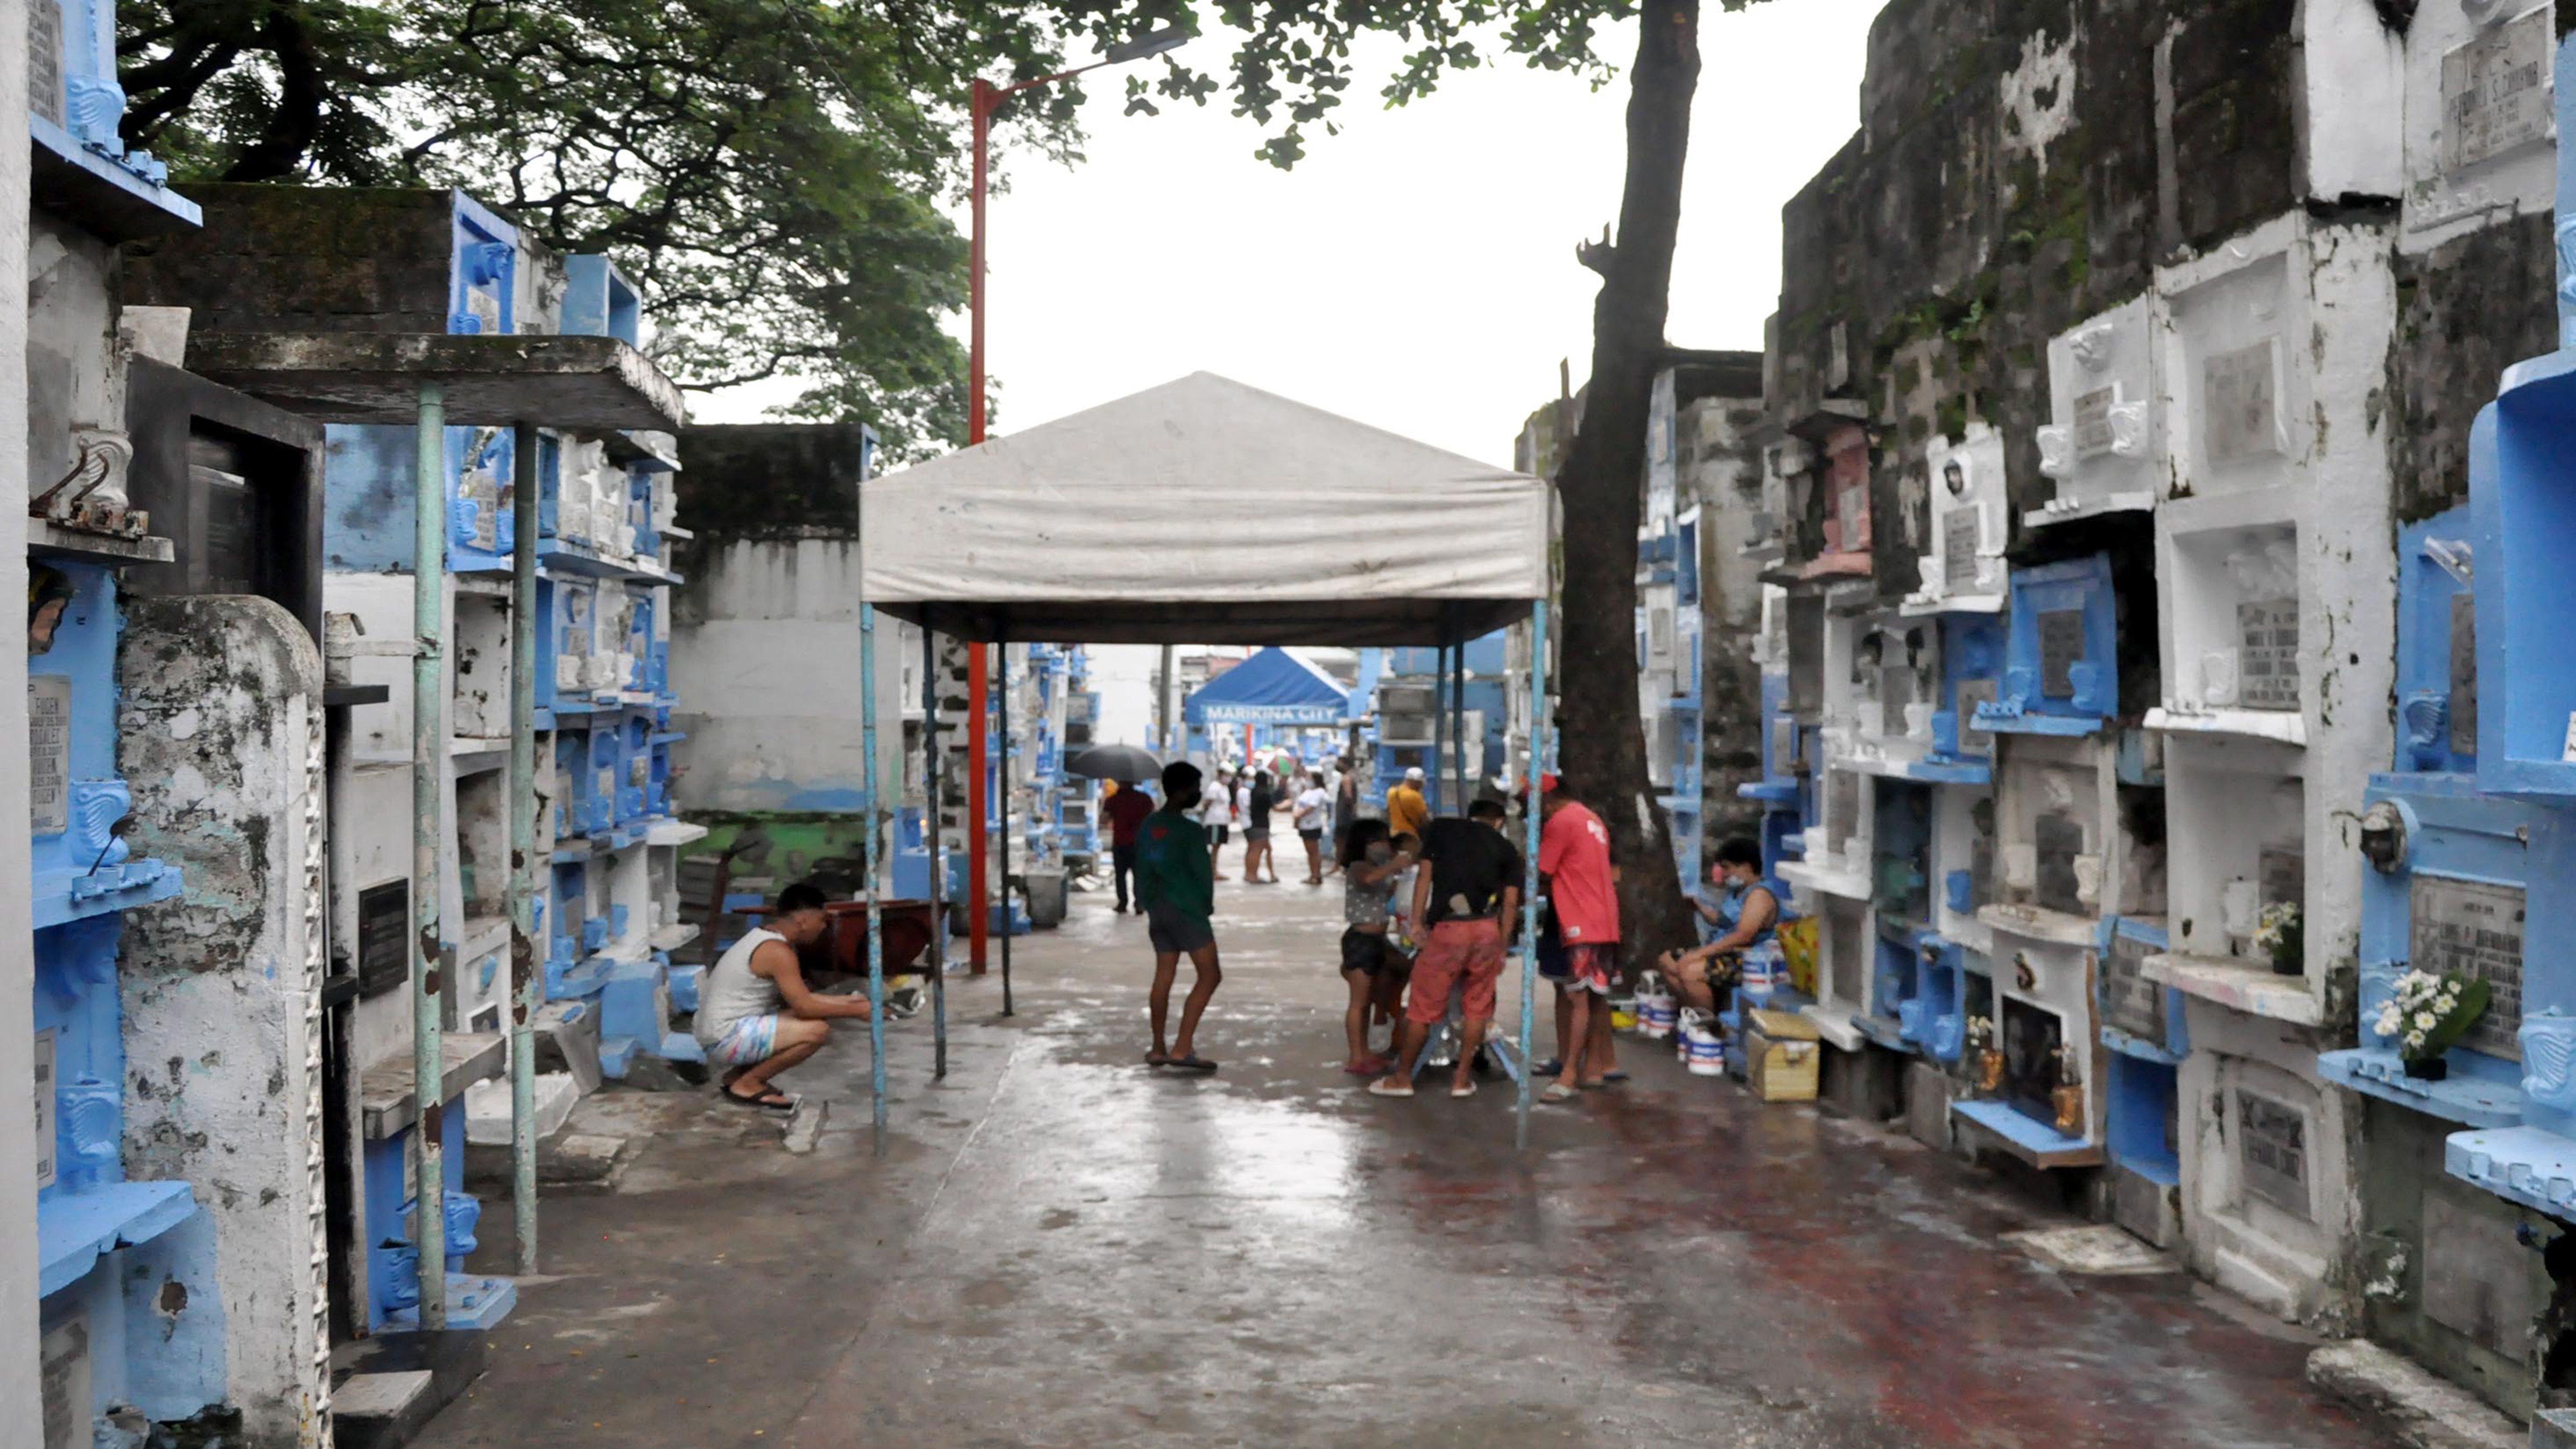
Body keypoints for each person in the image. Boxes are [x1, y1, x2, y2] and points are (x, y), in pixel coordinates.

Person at [1372, 799, 1520, 1100]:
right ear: (1499, 822)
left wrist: (1416, 924)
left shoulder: (1442, 831)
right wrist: (1501, 946)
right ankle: (1462, 1080)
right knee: (1477, 1007)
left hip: (1450, 929)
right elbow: (1511, 903)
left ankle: (1403, 1078)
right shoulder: (1508, 850)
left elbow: (1424, 878)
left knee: (1423, 1007)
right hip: (1486, 929)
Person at [694, 881, 874, 1110]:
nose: (823, 928)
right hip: (724, 1038)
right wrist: (857, 1010)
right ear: (803, 921)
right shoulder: (777, 952)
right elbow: (805, 1007)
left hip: (716, 1031)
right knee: (816, 1031)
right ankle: (749, 1083)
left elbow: (803, 1000)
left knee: (803, 1019)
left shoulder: (762, 938)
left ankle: (735, 1078)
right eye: (822, 921)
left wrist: (852, 1002)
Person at [1534, 779, 1619, 1101]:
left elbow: (1541, 870)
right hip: (1602, 918)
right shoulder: (1589, 817)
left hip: (1580, 919)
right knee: (1594, 996)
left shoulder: (1561, 821)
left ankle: (1569, 1075)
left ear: (1547, 800)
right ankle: (1594, 1067)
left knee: (1578, 998)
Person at [1137, 760, 1223, 1072]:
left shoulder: (1149, 825)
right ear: (1183, 790)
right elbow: (1202, 874)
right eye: (1195, 788)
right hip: (1187, 909)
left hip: (1158, 909)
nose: (1198, 794)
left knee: (1164, 975)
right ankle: (1182, 1047)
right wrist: (1206, 906)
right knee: (1210, 975)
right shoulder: (1190, 831)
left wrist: (1143, 900)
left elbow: (1141, 867)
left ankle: (1158, 1047)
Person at [1660, 837, 1780, 1013]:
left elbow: (1744, 935)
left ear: (1746, 867)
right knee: (1667, 960)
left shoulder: (1759, 895)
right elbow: (1723, 921)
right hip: (1725, 952)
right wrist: (1699, 907)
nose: (1723, 873)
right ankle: (1695, 1011)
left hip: (1750, 959)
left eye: (1726, 867)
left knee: (1690, 970)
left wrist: (1700, 954)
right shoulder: (1737, 892)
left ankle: (1708, 1024)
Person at [1336, 819, 1415, 1074]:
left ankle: (1365, 1052)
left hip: (1377, 939)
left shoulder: (1380, 868)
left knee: (1369, 1000)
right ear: (1365, 844)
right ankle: (1355, 1057)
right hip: (1360, 940)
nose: (1384, 845)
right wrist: (1393, 865)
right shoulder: (1359, 867)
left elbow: (1386, 893)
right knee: (1358, 1002)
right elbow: (1369, 880)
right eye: (1378, 840)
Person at [1101, 777, 1158, 914]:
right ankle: (1140, 904)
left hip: (1120, 842)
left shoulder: (1113, 800)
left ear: (1120, 783)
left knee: (1120, 875)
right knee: (1140, 874)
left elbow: (1103, 820)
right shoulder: (1145, 799)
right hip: (1141, 843)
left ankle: (1123, 903)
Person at [1242, 770, 1283, 884]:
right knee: (1256, 851)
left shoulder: (1254, 792)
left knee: (1255, 849)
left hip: (1254, 823)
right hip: (1261, 825)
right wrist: (1288, 804)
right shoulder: (1265, 793)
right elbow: (1275, 808)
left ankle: (1250, 873)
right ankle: (1252, 875)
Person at [1293, 770, 1333, 885]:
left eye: (1310, 778)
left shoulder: (1319, 792)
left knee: (1314, 852)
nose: (1308, 780)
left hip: (1312, 825)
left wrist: (1299, 816)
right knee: (1310, 852)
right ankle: (1313, 874)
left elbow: (1311, 807)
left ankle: (1316, 875)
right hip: (1304, 825)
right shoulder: (1308, 792)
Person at [1198, 766, 1235, 881]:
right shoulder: (1215, 787)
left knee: (1217, 846)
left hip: (1223, 821)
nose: (1228, 778)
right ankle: (1212, 871)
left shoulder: (1225, 788)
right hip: (1215, 820)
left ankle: (1214, 870)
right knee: (1214, 845)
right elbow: (1208, 802)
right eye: (1227, 775)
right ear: (1220, 775)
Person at [1386, 765, 1431, 843]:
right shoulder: (1415, 796)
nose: (1422, 786)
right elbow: (1424, 820)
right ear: (1415, 782)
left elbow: (1389, 812)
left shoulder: (1391, 792)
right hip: (1411, 837)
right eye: (1420, 783)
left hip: (1394, 835)